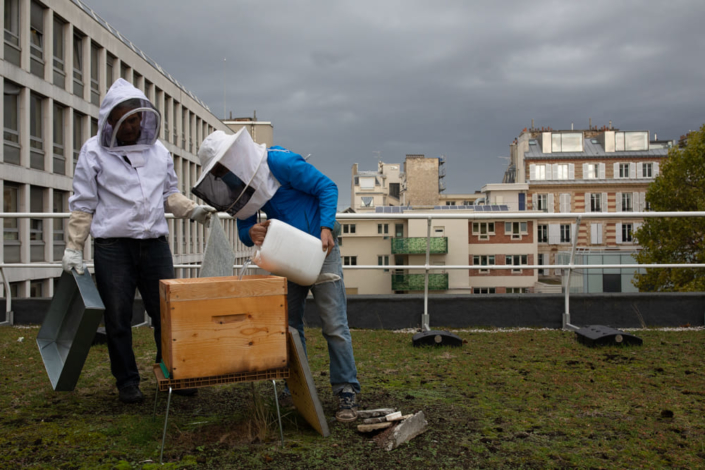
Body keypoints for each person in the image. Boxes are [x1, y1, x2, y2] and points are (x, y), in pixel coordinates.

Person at [62, 78, 215, 404]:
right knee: (117, 318)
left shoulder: (158, 151)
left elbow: (168, 195)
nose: (131, 126)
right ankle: (127, 383)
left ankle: (174, 373)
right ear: (109, 121)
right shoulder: (93, 152)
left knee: (166, 314)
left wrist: (192, 210)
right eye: (124, 121)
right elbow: (83, 204)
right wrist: (73, 247)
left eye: (135, 119)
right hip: (113, 247)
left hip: (155, 244)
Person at [196, 130, 361, 422]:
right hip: (284, 255)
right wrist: (252, 233)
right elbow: (246, 230)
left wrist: (325, 226)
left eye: (223, 166)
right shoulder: (240, 184)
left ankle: (346, 390)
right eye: (218, 171)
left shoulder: (279, 163)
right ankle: (295, 388)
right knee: (288, 326)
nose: (223, 173)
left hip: (321, 250)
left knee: (334, 325)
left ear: (234, 156)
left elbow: (327, 187)